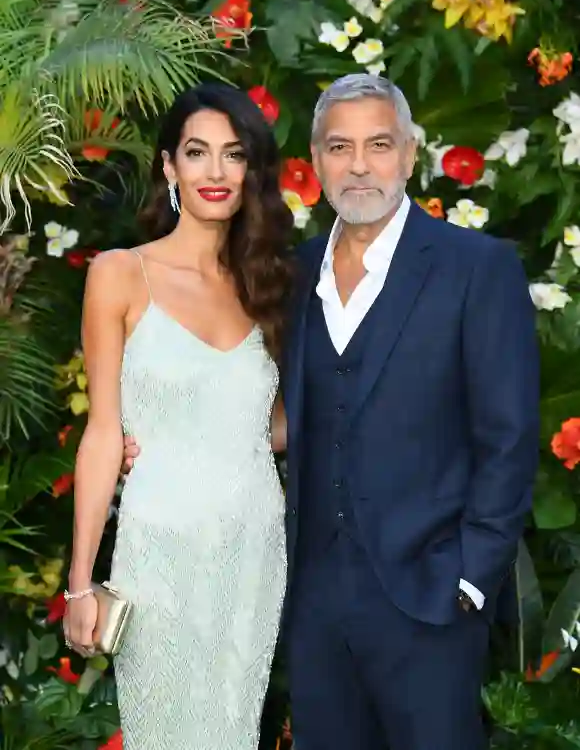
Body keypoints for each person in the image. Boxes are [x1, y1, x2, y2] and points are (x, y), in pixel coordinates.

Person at [123, 74, 539, 750]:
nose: (360, 165)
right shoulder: (291, 275)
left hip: (432, 600)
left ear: (410, 153)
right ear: (316, 161)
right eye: (340, 147)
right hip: (314, 606)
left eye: (380, 145)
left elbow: (509, 437)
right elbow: (261, 411)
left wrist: (470, 579)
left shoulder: (476, 269)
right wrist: (157, 439)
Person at [63, 83, 293, 750]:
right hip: (159, 547)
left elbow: (273, 424)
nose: (215, 171)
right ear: (169, 167)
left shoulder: (269, 284)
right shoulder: (119, 274)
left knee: (233, 731)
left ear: (251, 170)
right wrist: (80, 584)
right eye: (197, 152)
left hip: (252, 549)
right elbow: (102, 433)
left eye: (233, 154)